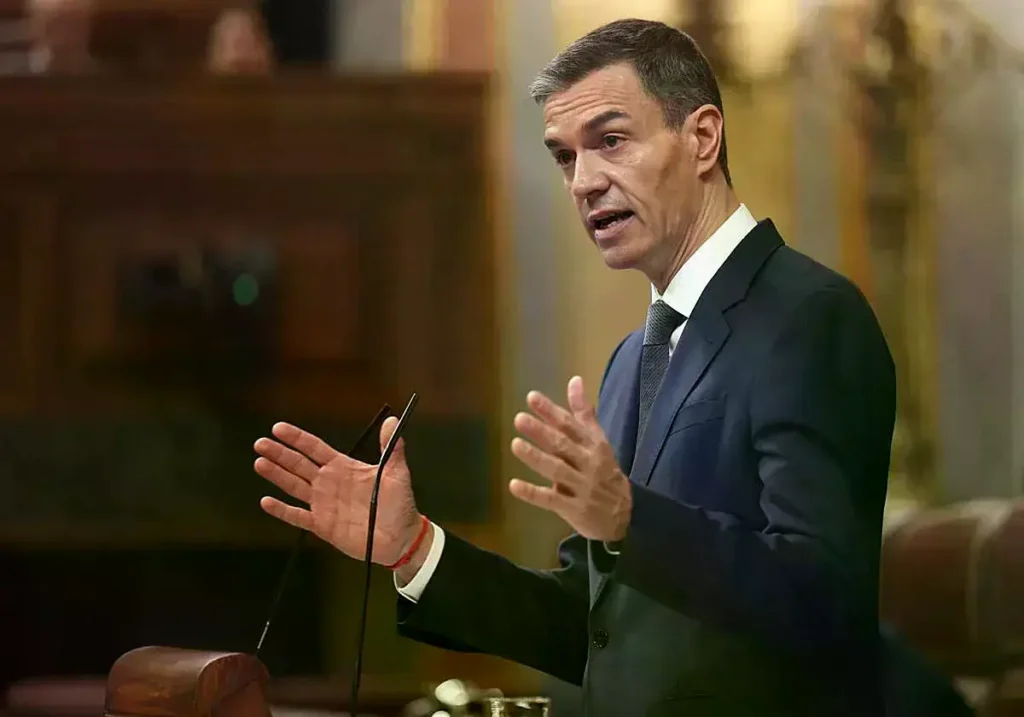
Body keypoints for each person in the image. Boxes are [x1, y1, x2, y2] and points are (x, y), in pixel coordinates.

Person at [254, 18, 898, 717]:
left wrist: (630, 519)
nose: (585, 182)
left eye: (611, 141)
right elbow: (588, 629)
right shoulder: (634, 357)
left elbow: (825, 602)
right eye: (565, 157)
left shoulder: (807, 315)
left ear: (703, 138)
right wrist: (414, 547)